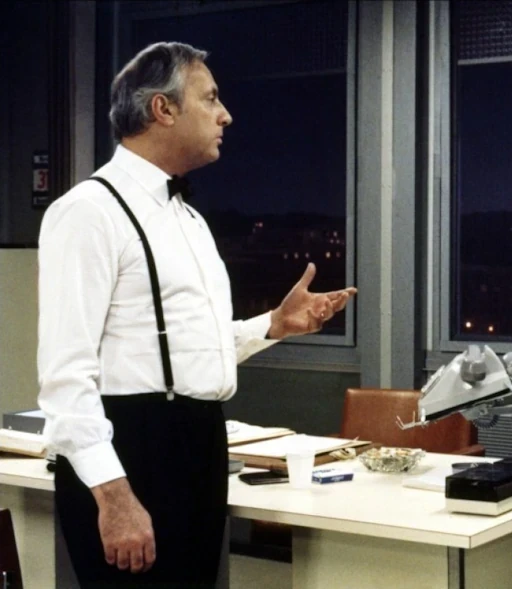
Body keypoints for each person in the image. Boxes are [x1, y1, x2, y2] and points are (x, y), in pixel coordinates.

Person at [37, 41, 356, 588]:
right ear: (162, 109)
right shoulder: (87, 213)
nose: (225, 115)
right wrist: (114, 496)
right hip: (132, 452)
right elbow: (66, 377)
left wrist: (274, 325)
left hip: (198, 444)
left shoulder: (189, 220)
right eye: (210, 98)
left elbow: (187, 346)